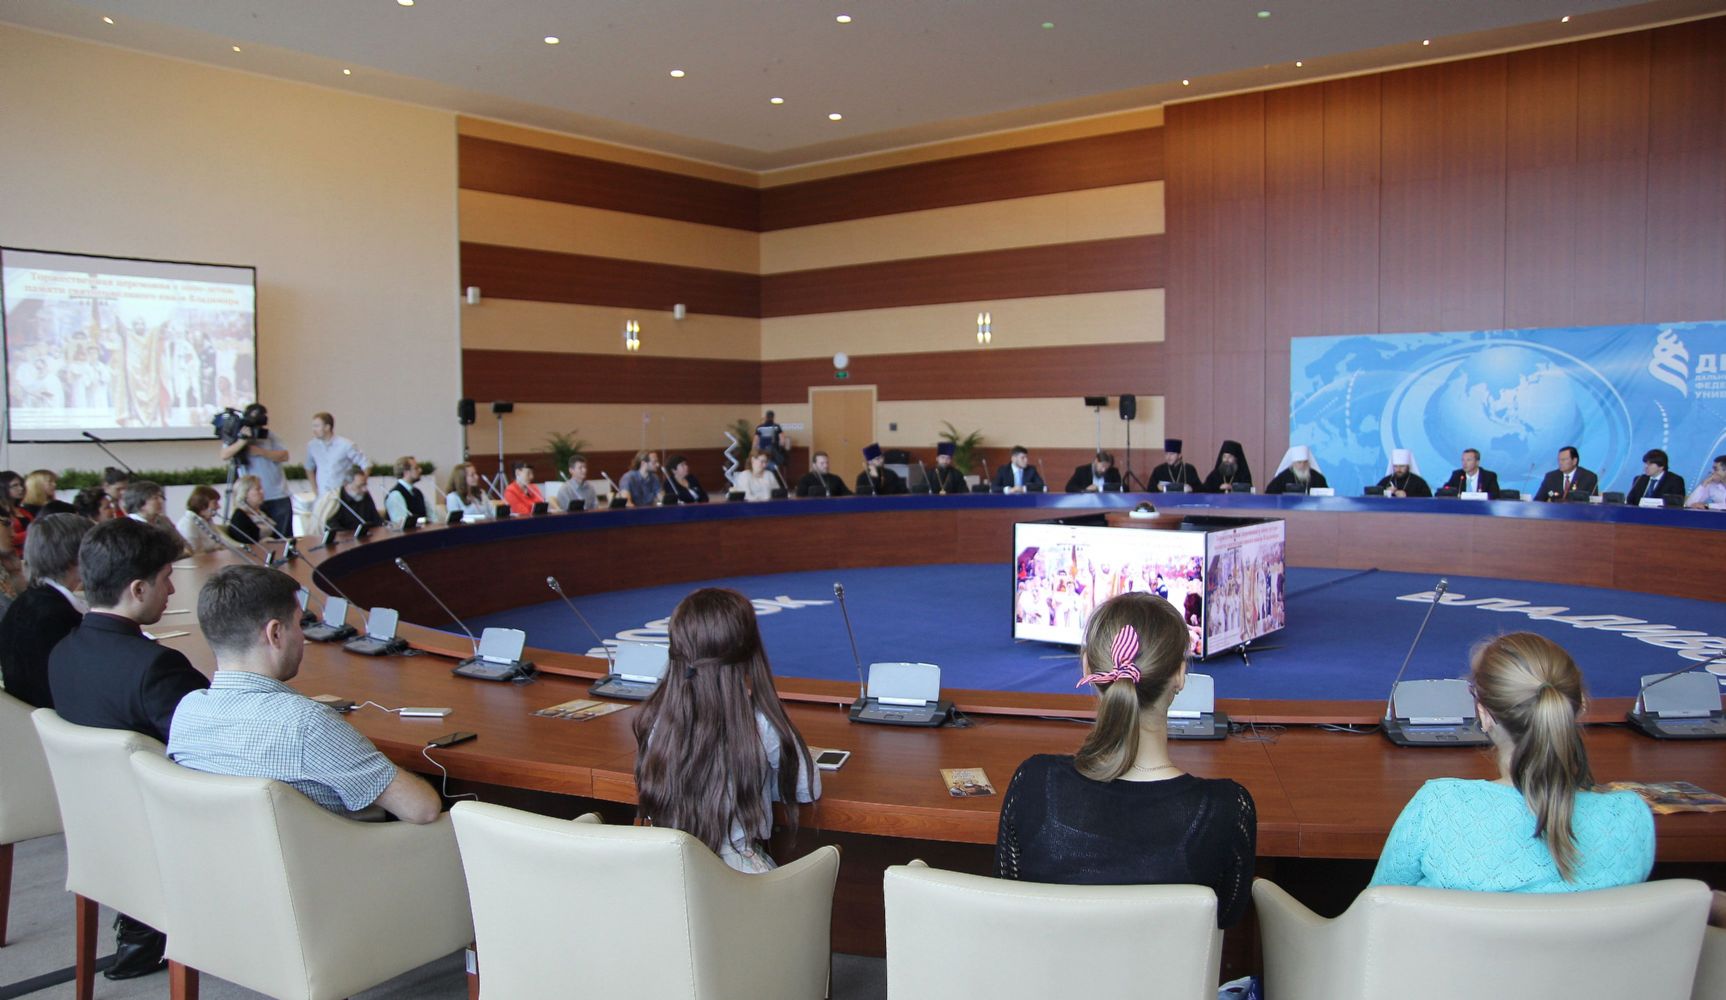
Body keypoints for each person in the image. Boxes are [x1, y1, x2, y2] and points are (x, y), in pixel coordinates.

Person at [994, 592, 1256, 928]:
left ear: (1087, 665)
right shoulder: (1228, 809)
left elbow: (1009, 898)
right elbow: (1227, 919)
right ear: (1180, 675)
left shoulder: (1034, 782)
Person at [47, 516, 209, 981]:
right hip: (168, 828)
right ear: (138, 589)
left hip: (99, 820)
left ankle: (140, 932)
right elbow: (214, 749)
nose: (172, 591)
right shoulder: (155, 667)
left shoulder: (62, 652)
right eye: (166, 579)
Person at [1370, 633, 1653, 892]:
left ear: (1484, 715)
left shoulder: (1437, 806)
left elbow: (1377, 907)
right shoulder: (1631, 817)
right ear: (1579, 706)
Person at [167, 566, 441, 823]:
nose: (303, 636)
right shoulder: (306, 723)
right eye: (299, 624)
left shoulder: (187, 711)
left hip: (231, 853)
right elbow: (422, 810)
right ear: (275, 633)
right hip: (347, 855)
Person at [633, 588, 819, 873]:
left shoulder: (658, 719)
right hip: (739, 877)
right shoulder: (761, 722)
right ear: (750, 652)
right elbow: (807, 789)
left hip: (665, 870)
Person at [0, 513, 95, 708]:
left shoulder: (27, 601)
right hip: (57, 717)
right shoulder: (55, 616)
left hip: (28, 716)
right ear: (76, 556)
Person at [218, 403, 293, 538]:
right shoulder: (237, 435)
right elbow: (225, 454)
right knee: (258, 538)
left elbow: (284, 456)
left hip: (277, 495)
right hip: (251, 498)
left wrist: (261, 452)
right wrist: (242, 441)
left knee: (283, 537)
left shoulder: (270, 436)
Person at [303, 411, 369, 497]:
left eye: (317, 426)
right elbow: (309, 467)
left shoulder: (345, 445)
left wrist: (359, 485)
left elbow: (366, 464)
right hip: (323, 494)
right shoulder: (312, 446)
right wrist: (315, 489)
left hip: (342, 493)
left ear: (327, 427)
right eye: (313, 426)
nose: (314, 430)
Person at [325, 466, 383, 532]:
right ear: (347, 485)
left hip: (369, 536)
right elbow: (334, 529)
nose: (365, 489)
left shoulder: (366, 495)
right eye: (360, 486)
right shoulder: (335, 500)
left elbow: (377, 521)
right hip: (346, 537)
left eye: (365, 484)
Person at [383, 456, 429, 526]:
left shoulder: (417, 492)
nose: (420, 470)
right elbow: (402, 525)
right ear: (406, 472)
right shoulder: (395, 495)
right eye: (416, 468)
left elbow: (431, 517)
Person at [176, 485, 224, 553]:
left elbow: (219, 543)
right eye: (215, 503)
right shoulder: (188, 524)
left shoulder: (207, 520)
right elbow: (195, 554)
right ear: (202, 504)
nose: (219, 506)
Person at [227, 475, 272, 545]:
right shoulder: (239, 517)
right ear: (244, 494)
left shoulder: (263, 511)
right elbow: (246, 542)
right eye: (258, 489)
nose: (262, 491)